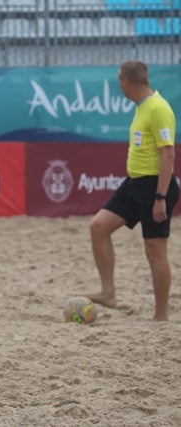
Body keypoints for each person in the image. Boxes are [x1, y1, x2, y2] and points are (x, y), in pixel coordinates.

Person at [86, 60, 178, 321]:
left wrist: (160, 197)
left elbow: (168, 154)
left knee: (154, 251)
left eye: (119, 81)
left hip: (155, 187)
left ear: (126, 82)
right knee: (98, 227)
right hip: (134, 184)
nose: (119, 86)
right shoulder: (141, 107)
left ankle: (161, 316)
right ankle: (108, 292)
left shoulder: (158, 108)